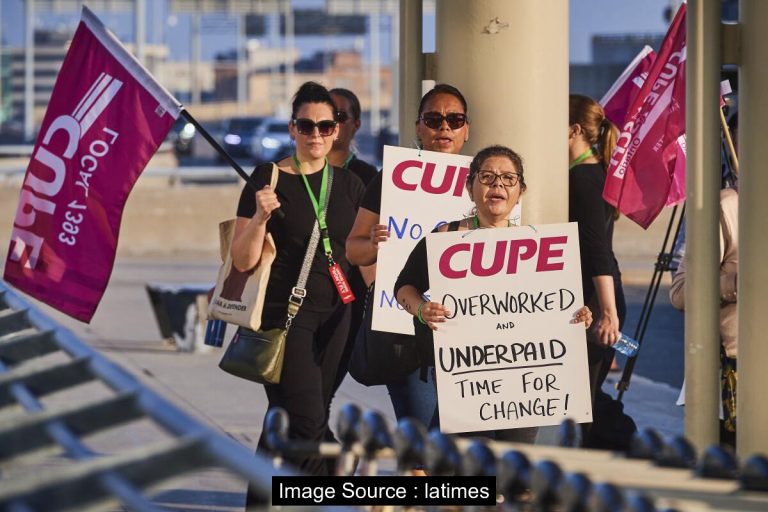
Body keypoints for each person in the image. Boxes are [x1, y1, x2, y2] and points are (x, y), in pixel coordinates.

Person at [394, 145, 593, 442]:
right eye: (487, 177)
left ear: (520, 190)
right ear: (469, 187)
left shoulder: (538, 247)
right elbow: (403, 288)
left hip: (524, 383)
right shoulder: (445, 238)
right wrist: (422, 309)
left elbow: (553, 307)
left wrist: (578, 316)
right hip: (465, 378)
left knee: (512, 471)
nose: (497, 185)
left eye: (508, 179)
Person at [231, 82, 365, 489]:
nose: (316, 135)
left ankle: (263, 499)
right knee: (307, 421)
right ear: (292, 129)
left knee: (292, 419)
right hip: (287, 316)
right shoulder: (268, 178)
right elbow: (241, 260)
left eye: (326, 126)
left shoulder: (350, 185)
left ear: (338, 130)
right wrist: (259, 217)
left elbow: (357, 254)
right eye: (306, 126)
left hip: (340, 314)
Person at [346, 83, 471, 431]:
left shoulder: (486, 185)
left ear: (466, 129)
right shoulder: (392, 181)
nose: (444, 127)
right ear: (418, 127)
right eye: (433, 119)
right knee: (425, 447)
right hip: (407, 339)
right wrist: (375, 244)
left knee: (455, 449)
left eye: (454, 119)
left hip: (466, 339)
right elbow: (353, 250)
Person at [568, 94, 635, 449]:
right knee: (583, 396)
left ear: (574, 130)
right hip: (593, 299)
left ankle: (621, 446)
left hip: (595, 301)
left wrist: (607, 313)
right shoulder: (593, 172)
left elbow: (597, 251)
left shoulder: (584, 178)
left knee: (583, 401)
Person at [327, 87, 378, 392]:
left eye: (340, 116)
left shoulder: (366, 176)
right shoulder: (290, 172)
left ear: (356, 124)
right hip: (298, 300)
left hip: (348, 300)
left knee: (322, 394)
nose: (331, 124)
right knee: (297, 400)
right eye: (323, 117)